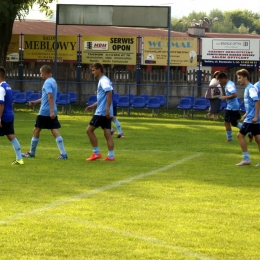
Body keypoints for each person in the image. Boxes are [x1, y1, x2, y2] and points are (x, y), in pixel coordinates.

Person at [21, 65, 68, 159]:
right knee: (54, 130)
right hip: (52, 109)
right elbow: (47, 96)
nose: (40, 74)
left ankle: (32, 153)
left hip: (45, 111)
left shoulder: (47, 82)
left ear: (45, 72)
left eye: (41, 72)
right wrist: (36, 102)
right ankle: (64, 154)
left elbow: (50, 96)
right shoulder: (53, 81)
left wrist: (50, 111)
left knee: (36, 130)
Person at [85, 63, 115, 161]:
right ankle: (111, 156)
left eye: (93, 70)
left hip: (102, 112)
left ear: (99, 69)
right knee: (107, 134)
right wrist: (93, 106)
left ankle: (96, 153)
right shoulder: (105, 80)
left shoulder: (103, 81)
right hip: (105, 111)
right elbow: (104, 97)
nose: (93, 72)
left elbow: (109, 94)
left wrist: (106, 109)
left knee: (89, 130)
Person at [235, 69, 260, 166]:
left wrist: (255, 116)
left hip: (252, 118)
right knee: (258, 138)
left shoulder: (251, 88)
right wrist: (246, 113)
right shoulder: (248, 88)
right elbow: (252, 105)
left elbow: (257, 101)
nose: (238, 80)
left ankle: (246, 159)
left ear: (245, 77)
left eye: (240, 78)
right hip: (252, 117)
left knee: (240, 135)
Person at [0, 66, 24, 165]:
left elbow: (1, 104)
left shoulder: (1, 88)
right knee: (11, 136)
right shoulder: (8, 86)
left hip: (3, 116)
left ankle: (19, 159)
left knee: (11, 136)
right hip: (10, 115)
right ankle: (19, 159)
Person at [217, 72, 242, 142]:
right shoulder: (229, 83)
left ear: (224, 78)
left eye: (220, 80)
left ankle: (229, 139)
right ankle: (248, 131)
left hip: (232, 106)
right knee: (234, 122)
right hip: (233, 105)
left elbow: (235, 94)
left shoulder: (229, 85)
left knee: (226, 122)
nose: (220, 82)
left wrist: (226, 97)